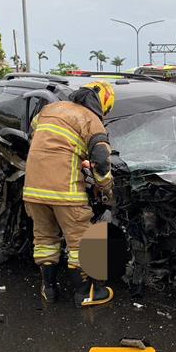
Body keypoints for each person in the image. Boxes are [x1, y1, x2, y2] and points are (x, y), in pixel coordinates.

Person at [23, 81, 115, 307]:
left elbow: (35, 137)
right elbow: (102, 162)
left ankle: (49, 290)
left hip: (33, 189)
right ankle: (84, 294)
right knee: (80, 243)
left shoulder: (50, 110)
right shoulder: (91, 120)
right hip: (66, 192)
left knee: (44, 239)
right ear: (103, 104)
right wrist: (106, 187)